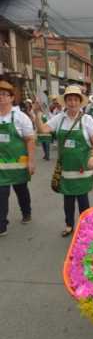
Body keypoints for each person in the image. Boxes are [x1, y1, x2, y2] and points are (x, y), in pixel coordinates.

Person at [34, 85, 93, 237]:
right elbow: (43, 129)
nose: (72, 103)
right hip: (66, 169)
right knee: (68, 200)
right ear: (66, 102)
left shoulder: (87, 120)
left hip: (83, 169)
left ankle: (86, 227)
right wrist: (37, 114)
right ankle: (69, 224)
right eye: (69, 100)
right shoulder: (60, 119)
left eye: (75, 100)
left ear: (79, 102)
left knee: (83, 200)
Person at [0, 81, 35, 236]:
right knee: (1, 194)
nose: (1, 97)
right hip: (1, 166)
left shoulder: (20, 117)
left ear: (12, 98)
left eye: (5, 94)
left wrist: (31, 161)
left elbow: (29, 139)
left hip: (19, 164)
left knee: (21, 191)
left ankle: (26, 212)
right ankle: (2, 224)